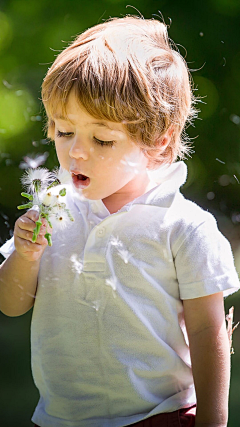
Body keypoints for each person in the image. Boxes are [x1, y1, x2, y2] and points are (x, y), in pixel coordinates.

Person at [0, 15, 239, 427]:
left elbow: (206, 332)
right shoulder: (53, 209)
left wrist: (213, 421)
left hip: (161, 416)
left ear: (158, 140)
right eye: (63, 132)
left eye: (102, 139)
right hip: (59, 419)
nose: (76, 152)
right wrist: (25, 256)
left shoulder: (183, 227)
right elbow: (11, 305)